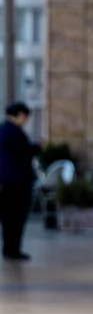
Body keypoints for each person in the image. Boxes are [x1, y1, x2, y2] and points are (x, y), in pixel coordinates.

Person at [0, 100, 35, 260]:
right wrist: (36, 148)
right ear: (20, 115)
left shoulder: (4, 130)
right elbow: (23, 152)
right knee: (16, 217)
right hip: (17, 182)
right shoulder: (14, 132)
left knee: (8, 218)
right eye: (25, 117)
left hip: (7, 181)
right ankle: (13, 249)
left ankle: (9, 248)